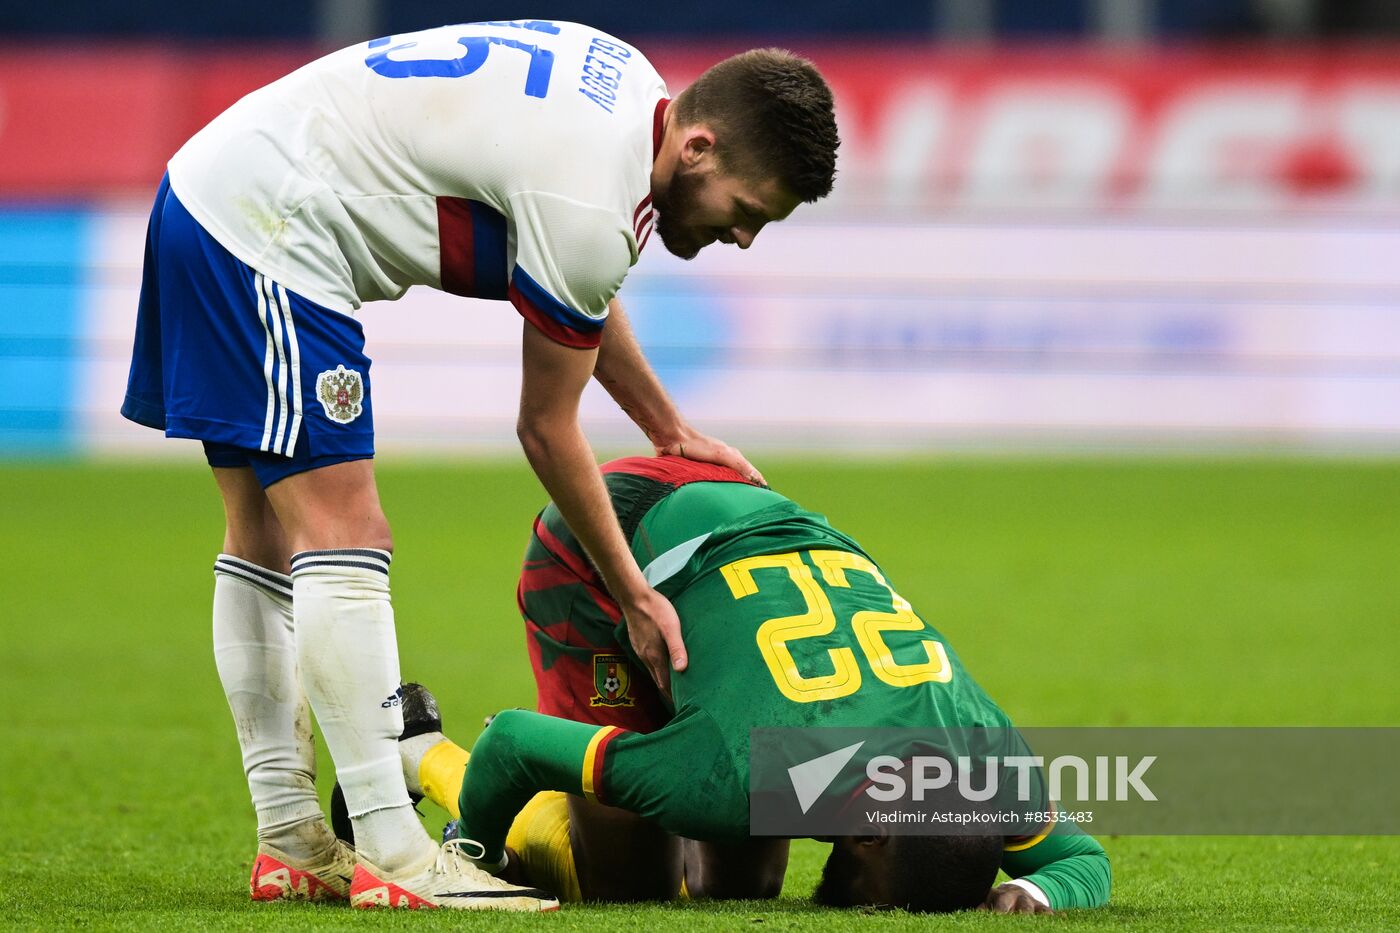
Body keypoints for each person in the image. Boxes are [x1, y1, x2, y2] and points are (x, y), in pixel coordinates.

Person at [118, 19, 839, 912]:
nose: (744, 237)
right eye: (750, 209)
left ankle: (292, 838)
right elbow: (545, 426)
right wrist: (633, 593)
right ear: (698, 147)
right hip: (272, 229)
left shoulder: (624, 95)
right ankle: (393, 848)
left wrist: (668, 428)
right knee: (345, 532)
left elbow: (572, 283)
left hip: (216, 187)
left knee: (263, 534)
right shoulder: (594, 200)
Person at [392, 456, 1111, 913]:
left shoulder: (979, 748)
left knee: (746, 887)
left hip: (746, 508)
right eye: (870, 905)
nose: (856, 908)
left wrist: (1032, 889)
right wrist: (474, 859)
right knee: (628, 885)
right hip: (603, 538)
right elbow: (517, 742)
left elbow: (1082, 859)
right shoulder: (735, 773)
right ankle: (418, 747)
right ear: (868, 831)